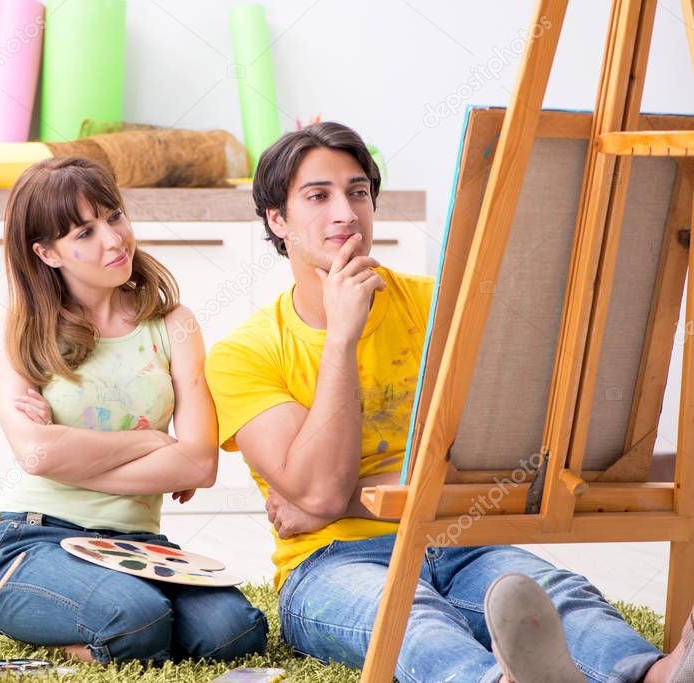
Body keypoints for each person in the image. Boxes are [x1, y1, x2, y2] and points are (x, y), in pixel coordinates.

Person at [203, 121, 694, 682]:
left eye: (358, 191)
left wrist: (336, 501)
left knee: (555, 596)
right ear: (277, 220)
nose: (345, 212)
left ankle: (660, 675)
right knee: (414, 621)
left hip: (460, 536)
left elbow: (499, 458)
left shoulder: (441, 307)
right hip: (331, 562)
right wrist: (342, 336)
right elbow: (320, 485)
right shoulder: (242, 354)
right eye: (318, 196)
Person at [0, 156, 267, 665]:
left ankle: (121, 636)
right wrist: (153, 442)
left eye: (114, 217)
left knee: (234, 634)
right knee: (137, 616)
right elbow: (37, 456)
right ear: (46, 253)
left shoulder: (175, 325)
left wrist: (74, 457)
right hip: (33, 537)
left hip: (137, 543)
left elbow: (199, 465)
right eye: (84, 232)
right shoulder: (20, 327)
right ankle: (101, 628)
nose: (113, 240)